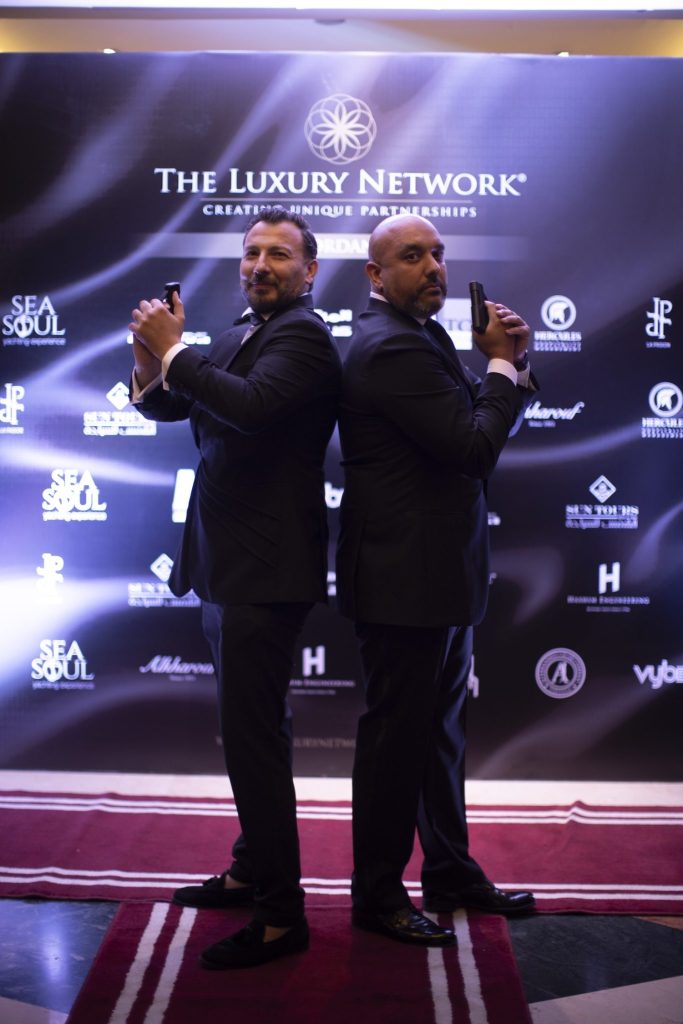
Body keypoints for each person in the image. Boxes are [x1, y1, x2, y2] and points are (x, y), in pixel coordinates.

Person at [129, 207, 341, 968]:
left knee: (254, 744)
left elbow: (248, 410)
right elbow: (170, 402)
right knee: (252, 735)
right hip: (227, 566)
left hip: (264, 570)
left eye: (279, 254)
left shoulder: (304, 336)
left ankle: (281, 917)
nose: (260, 265)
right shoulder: (242, 331)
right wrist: (148, 357)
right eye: (252, 252)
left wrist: (173, 348)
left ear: (309, 271)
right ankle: (253, 869)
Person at [336, 213, 537, 947]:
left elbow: (477, 425)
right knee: (397, 745)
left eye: (438, 254)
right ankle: (377, 896)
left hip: (436, 575)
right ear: (375, 274)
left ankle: (449, 872)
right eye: (412, 255)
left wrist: (511, 363)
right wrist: (501, 368)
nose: (433, 267)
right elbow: (473, 448)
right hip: (403, 581)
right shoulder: (390, 345)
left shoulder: (418, 336)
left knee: (438, 737)